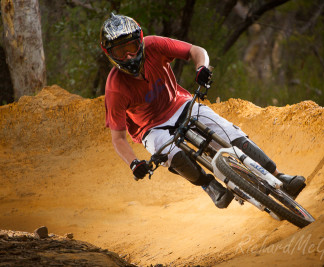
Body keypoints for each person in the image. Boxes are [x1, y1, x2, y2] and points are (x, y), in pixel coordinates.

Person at [100, 13, 306, 209]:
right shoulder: (115, 87)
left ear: (141, 41)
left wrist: (202, 68)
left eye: (132, 47)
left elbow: (195, 51)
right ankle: (209, 185)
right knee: (172, 155)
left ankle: (280, 177)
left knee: (232, 135)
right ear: (109, 53)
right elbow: (118, 138)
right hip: (151, 129)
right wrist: (134, 163)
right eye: (120, 51)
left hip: (180, 103)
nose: (128, 55)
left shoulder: (154, 45)